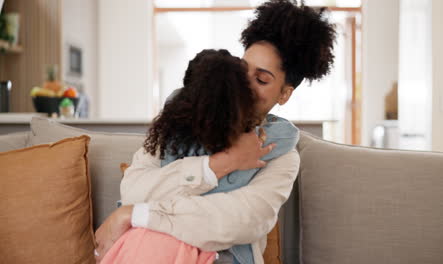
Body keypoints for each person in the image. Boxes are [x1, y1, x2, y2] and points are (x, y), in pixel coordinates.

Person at [95, 0, 336, 263]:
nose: (245, 84)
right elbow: (134, 190)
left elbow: (239, 222)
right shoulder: (182, 118)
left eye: (262, 79)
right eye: (242, 70)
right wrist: (218, 165)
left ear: (285, 94)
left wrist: (135, 214)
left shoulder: (281, 154)